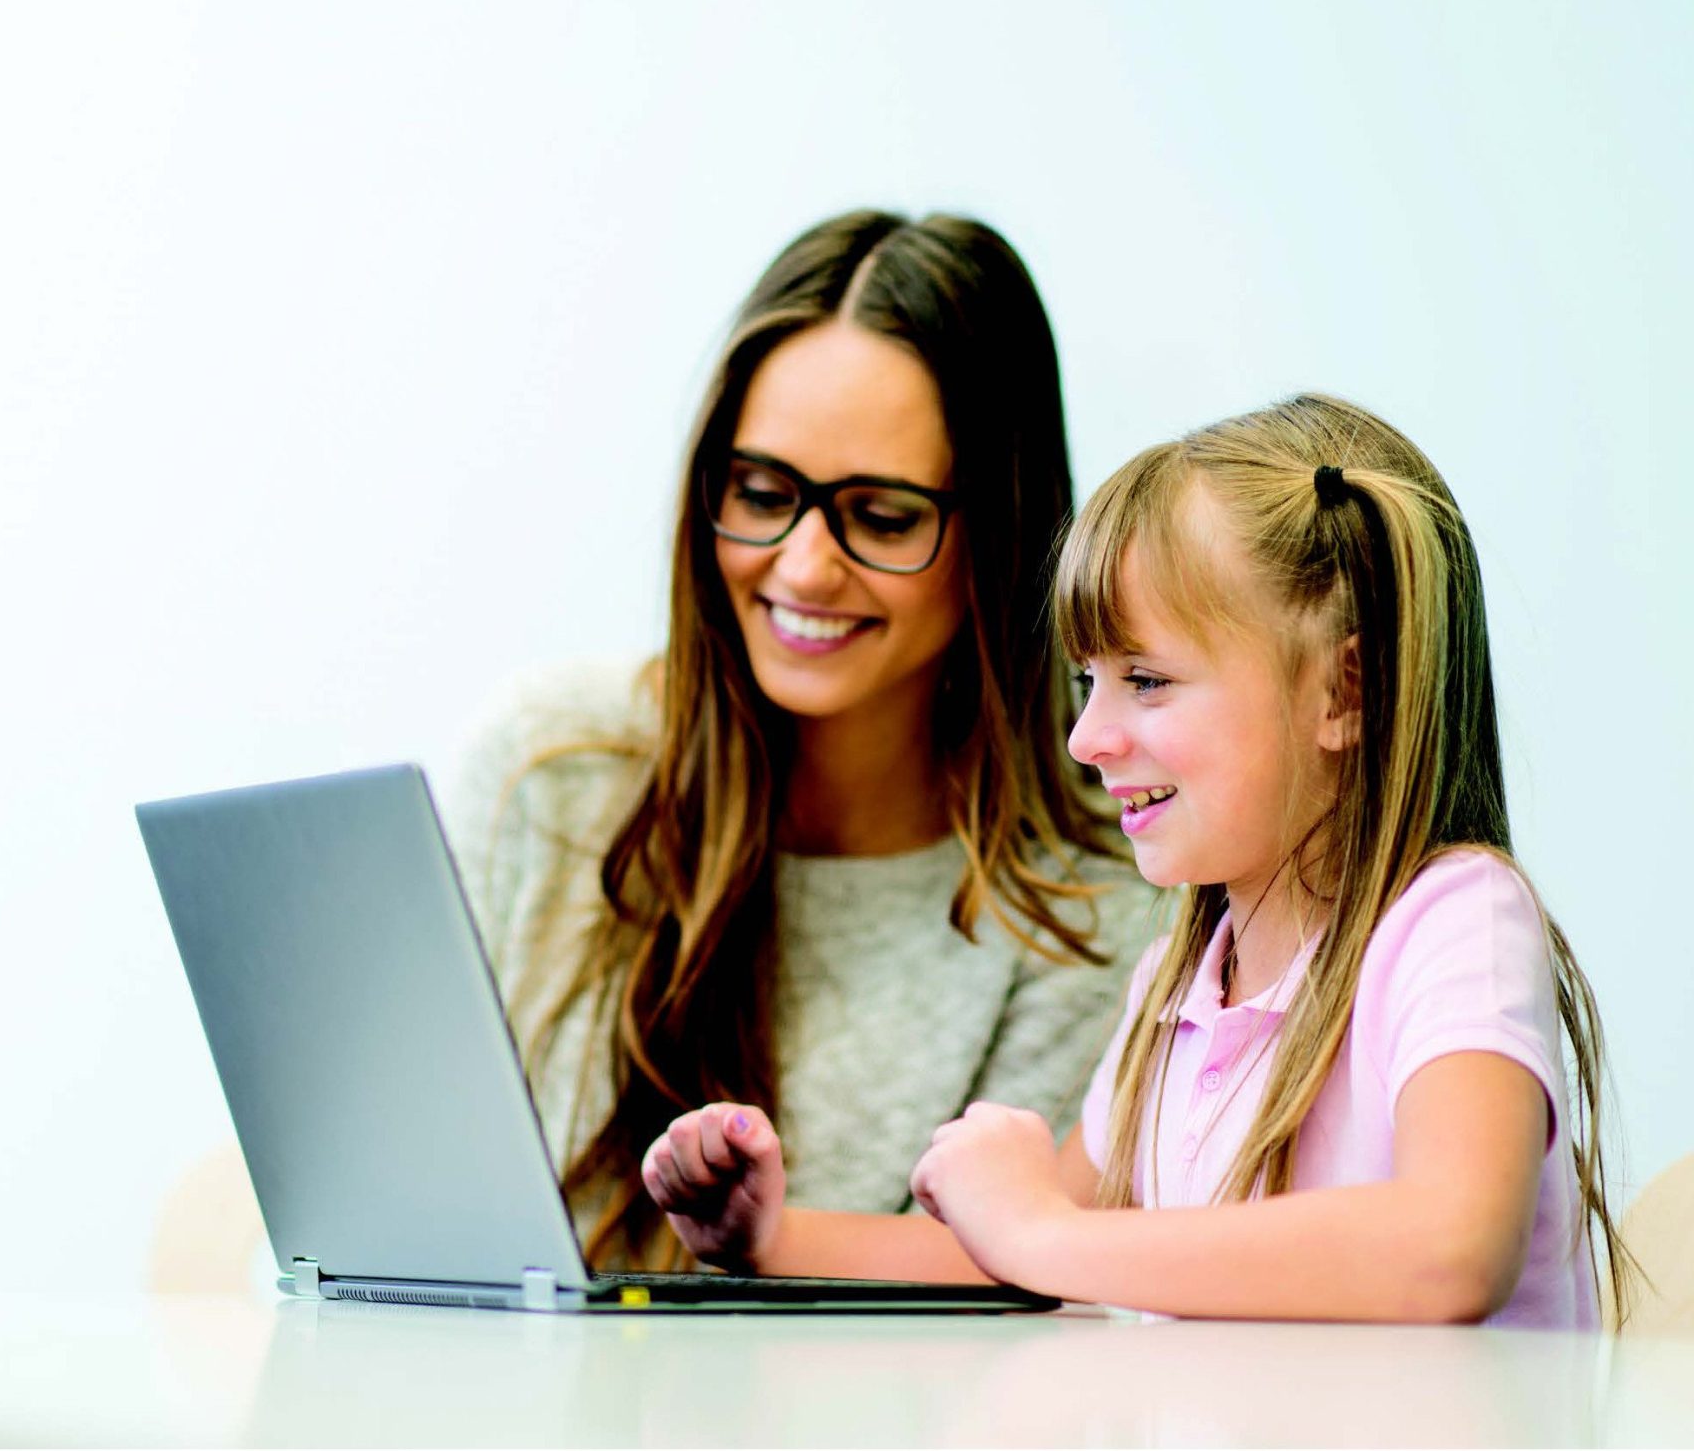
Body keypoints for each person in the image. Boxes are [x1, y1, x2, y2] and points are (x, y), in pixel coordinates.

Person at [643, 393, 1634, 1325]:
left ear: (1346, 692)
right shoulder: (1174, 989)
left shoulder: (1453, 923)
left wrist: (1044, 1231)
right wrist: (770, 1237)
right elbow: (1019, 1254)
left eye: (1147, 680)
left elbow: (1450, 1247)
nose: (1087, 738)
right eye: (1089, 680)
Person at [447, 210, 1164, 1271]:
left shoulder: (1089, 894)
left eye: (881, 517)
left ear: (1001, 535)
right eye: (762, 494)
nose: (803, 567)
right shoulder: (546, 767)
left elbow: (1006, 1296)